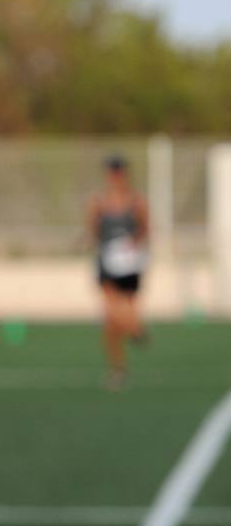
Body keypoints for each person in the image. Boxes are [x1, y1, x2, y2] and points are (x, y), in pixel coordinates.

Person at [86, 155, 149, 389]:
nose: (114, 177)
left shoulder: (136, 201)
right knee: (111, 317)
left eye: (118, 172)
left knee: (128, 309)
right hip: (107, 263)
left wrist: (133, 243)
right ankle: (118, 366)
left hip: (130, 264)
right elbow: (92, 229)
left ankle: (134, 327)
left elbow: (145, 228)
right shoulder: (99, 201)